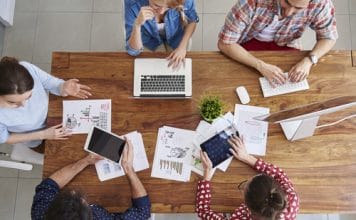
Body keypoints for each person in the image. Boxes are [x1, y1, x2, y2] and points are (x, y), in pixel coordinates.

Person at [217, 0, 338, 86]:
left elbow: (329, 37)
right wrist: (260, 65)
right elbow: (225, 43)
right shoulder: (251, 2)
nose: (289, 13)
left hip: (287, 43)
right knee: (240, 81)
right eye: (287, 2)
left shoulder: (321, 4)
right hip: (250, 41)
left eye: (299, 8)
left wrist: (309, 60)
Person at [0, 56, 92, 163]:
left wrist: (62, 87)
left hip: (53, 115)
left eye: (29, 97)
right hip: (36, 138)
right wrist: (43, 135)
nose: (24, 105)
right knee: (69, 155)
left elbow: (48, 81)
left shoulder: (26, 68)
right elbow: (6, 138)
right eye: (12, 102)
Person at [31, 138, 151, 220]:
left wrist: (85, 161)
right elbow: (142, 211)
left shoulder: (41, 212)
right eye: (82, 202)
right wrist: (128, 168)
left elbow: (49, 185)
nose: (74, 192)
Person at [196, 135, 299, 220]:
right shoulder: (291, 199)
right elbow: (279, 175)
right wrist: (247, 157)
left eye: (245, 185)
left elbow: (203, 211)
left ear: (247, 205)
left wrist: (206, 178)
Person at [125, 0, 199, 69]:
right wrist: (137, 25)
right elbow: (133, 51)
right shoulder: (132, 4)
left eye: (168, 7)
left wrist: (182, 47)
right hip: (148, 40)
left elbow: (192, 20)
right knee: (153, 68)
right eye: (156, 5)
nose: (161, 12)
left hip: (178, 38)